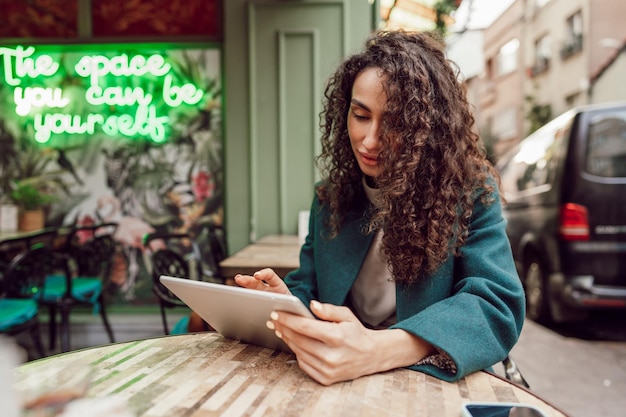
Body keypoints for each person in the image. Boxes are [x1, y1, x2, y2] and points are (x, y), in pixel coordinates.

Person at [234, 30, 525, 386]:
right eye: (361, 115)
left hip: (431, 383)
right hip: (342, 383)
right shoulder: (332, 198)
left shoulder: (470, 193)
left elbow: (496, 306)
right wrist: (285, 302)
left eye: (394, 123)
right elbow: (309, 287)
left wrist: (379, 348)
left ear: (428, 129)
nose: (370, 141)